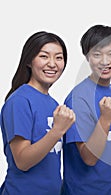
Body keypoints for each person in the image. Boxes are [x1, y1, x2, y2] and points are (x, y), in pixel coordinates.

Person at [0, 31, 75, 194]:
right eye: (44, 56)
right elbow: (22, 161)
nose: (53, 64)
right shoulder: (19, 101)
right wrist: (57, 130)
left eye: (59, 57)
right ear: (29, 61)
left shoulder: (54, 104)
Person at [61, 24, 111, 195]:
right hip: (82, 191)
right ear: (87, 56)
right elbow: (88, 158)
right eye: (97, 54)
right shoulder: (78, 99)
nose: (105, 61)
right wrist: (105, 119)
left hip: (109, 189)